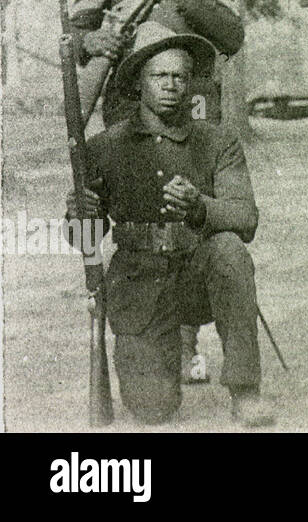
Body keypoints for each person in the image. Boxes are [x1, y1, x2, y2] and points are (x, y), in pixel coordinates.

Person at [72, 0, 246, 386]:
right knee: (141, 219)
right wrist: (93, 38)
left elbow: (230, 34)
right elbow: (76, 34)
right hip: (128, 107)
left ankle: (191, 341)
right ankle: (155, 331)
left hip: (190, 102)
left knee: (192, 208)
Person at [69, 22, 273, 426]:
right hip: (140, 283)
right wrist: (81, 214)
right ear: (139, 83)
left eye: (179, 76)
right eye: (159, 75)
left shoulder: (217, 141)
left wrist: (200, 207)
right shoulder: (106, 146)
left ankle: (245, 391)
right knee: (152, 410)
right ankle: (161, 364)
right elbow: (83, 241)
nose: (170, 84)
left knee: (230, 251)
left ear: (191, 85)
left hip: (199, 277)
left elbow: (245, 218)